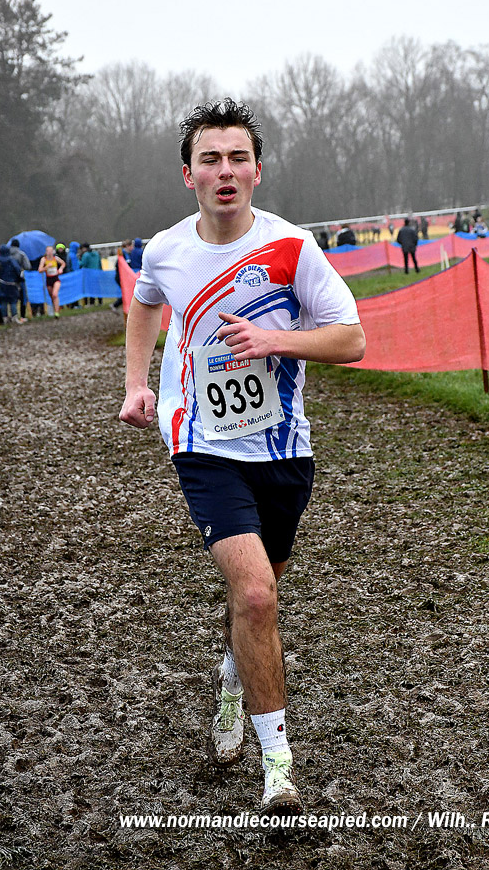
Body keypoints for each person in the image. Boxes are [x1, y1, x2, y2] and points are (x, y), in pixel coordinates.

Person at [119, 99, 366, 816]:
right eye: (210, 159)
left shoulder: (292, 248)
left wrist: (275, 340)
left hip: (283, 448)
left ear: (257, 171)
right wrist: (136, 384)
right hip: (200, 442)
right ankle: (278, 769)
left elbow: (351, 339)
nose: (224, 171)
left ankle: (234, 675)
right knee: (256, 595)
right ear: (188, 175)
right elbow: (145, 302)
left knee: (260, 594)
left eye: (237, 158)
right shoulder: (166, 249)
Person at [0, 245, 24, 324]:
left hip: (1, 283)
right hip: (12, 283)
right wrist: (19, 279)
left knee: (3, 301)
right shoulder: (12, 260)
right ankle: (14, 317)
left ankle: (5, 318)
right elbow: (17, 270)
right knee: (13, 301)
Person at [38, 245, 65, 317]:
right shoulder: (44, 259)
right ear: (46, 252)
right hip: (48, 279)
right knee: (52, 296)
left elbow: (63, 263)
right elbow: (40, 270)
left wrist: (60, 269)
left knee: (55, 294)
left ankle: (56, 312)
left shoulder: (55, 258)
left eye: (51, 251)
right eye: (48, 251)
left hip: (56, 279)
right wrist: (46, 267)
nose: (49, 252)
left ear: (53, 251)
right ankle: (55, 309)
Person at [9, 238, 31, 323]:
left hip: (9, 280)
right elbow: (28, 266)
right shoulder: (21, 254)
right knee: (23, 298)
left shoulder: (7, 254)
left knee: (12, 299)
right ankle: (22, 316)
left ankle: (12, 316)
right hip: (20, 279)